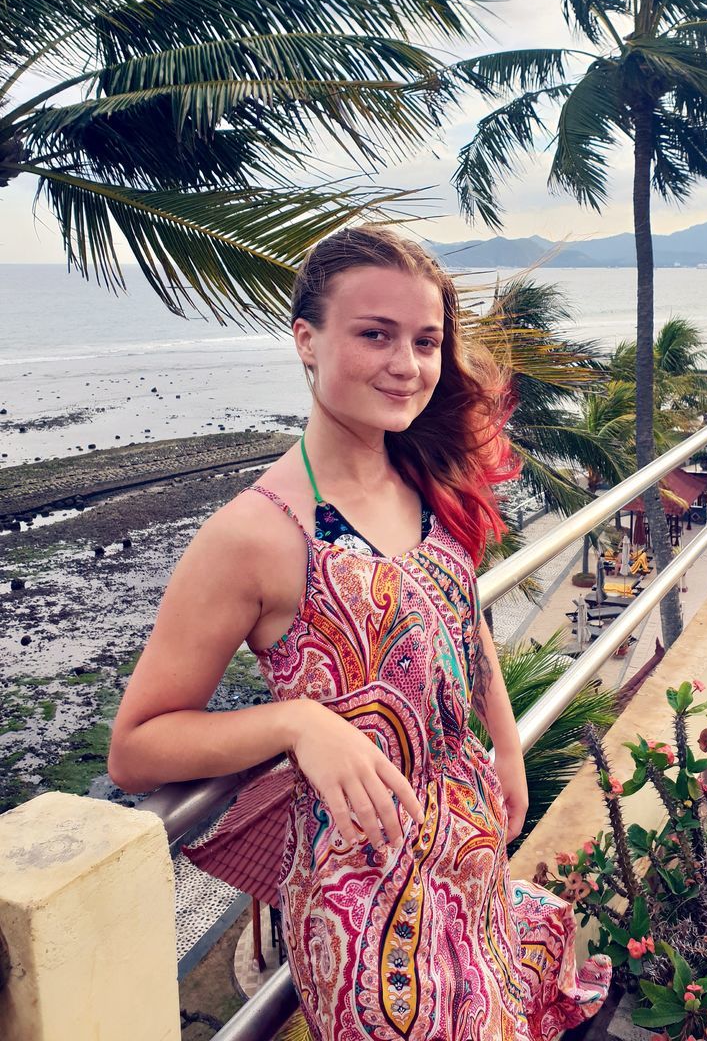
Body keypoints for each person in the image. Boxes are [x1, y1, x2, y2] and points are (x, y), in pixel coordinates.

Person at [108, 227, 610, 1041]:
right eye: (374, 334)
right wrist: (296, 723)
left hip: (471, 856)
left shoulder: (423, 474)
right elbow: (135, 747)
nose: (406, 365)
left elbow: (462, 618)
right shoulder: (254, 535)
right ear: (307, 341)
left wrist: (507, 748)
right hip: (365, 909)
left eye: (426, 341)